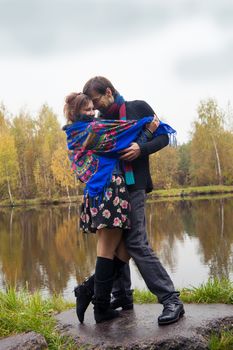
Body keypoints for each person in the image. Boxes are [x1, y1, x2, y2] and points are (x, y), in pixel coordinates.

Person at [81, 76, 185, 326]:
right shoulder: (100, 122)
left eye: (96, 101)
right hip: (109, 188)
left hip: (134, 184)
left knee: (136, 242)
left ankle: (171, 300)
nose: (96, 108)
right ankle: (123, 296)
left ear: (108, 92)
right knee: (117, 243)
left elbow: (162, 136)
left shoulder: (139, 108)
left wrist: (141, 149)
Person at [63, 92, 162, 323]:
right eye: (86, 110)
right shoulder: (93, 130)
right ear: (75, 113)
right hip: (108, 190)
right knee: (107, 249)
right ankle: (100, 308)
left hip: (103, 191)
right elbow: (124, 139)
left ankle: (88, 289)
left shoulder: (77, 131)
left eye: (91, 109)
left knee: (125, 247)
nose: (91, 113)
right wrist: (148, 129)